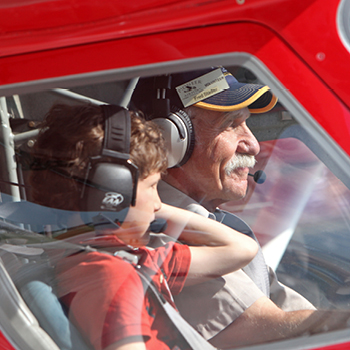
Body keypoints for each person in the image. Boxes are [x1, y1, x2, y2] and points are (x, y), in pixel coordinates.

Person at [131, 66, 350, 348]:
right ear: (170, 138)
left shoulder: (216, 225)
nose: (254, 145)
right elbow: (268, 327)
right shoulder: (164, 236)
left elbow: (293, 312)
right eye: (231, 124)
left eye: (247, 123)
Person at [29, 102, 258, 350]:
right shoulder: (109, 275)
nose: (159, 203)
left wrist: (138, 205)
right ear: (111, 192)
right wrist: (132, 207)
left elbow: (241, 249)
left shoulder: (129, 260)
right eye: (152, 187)